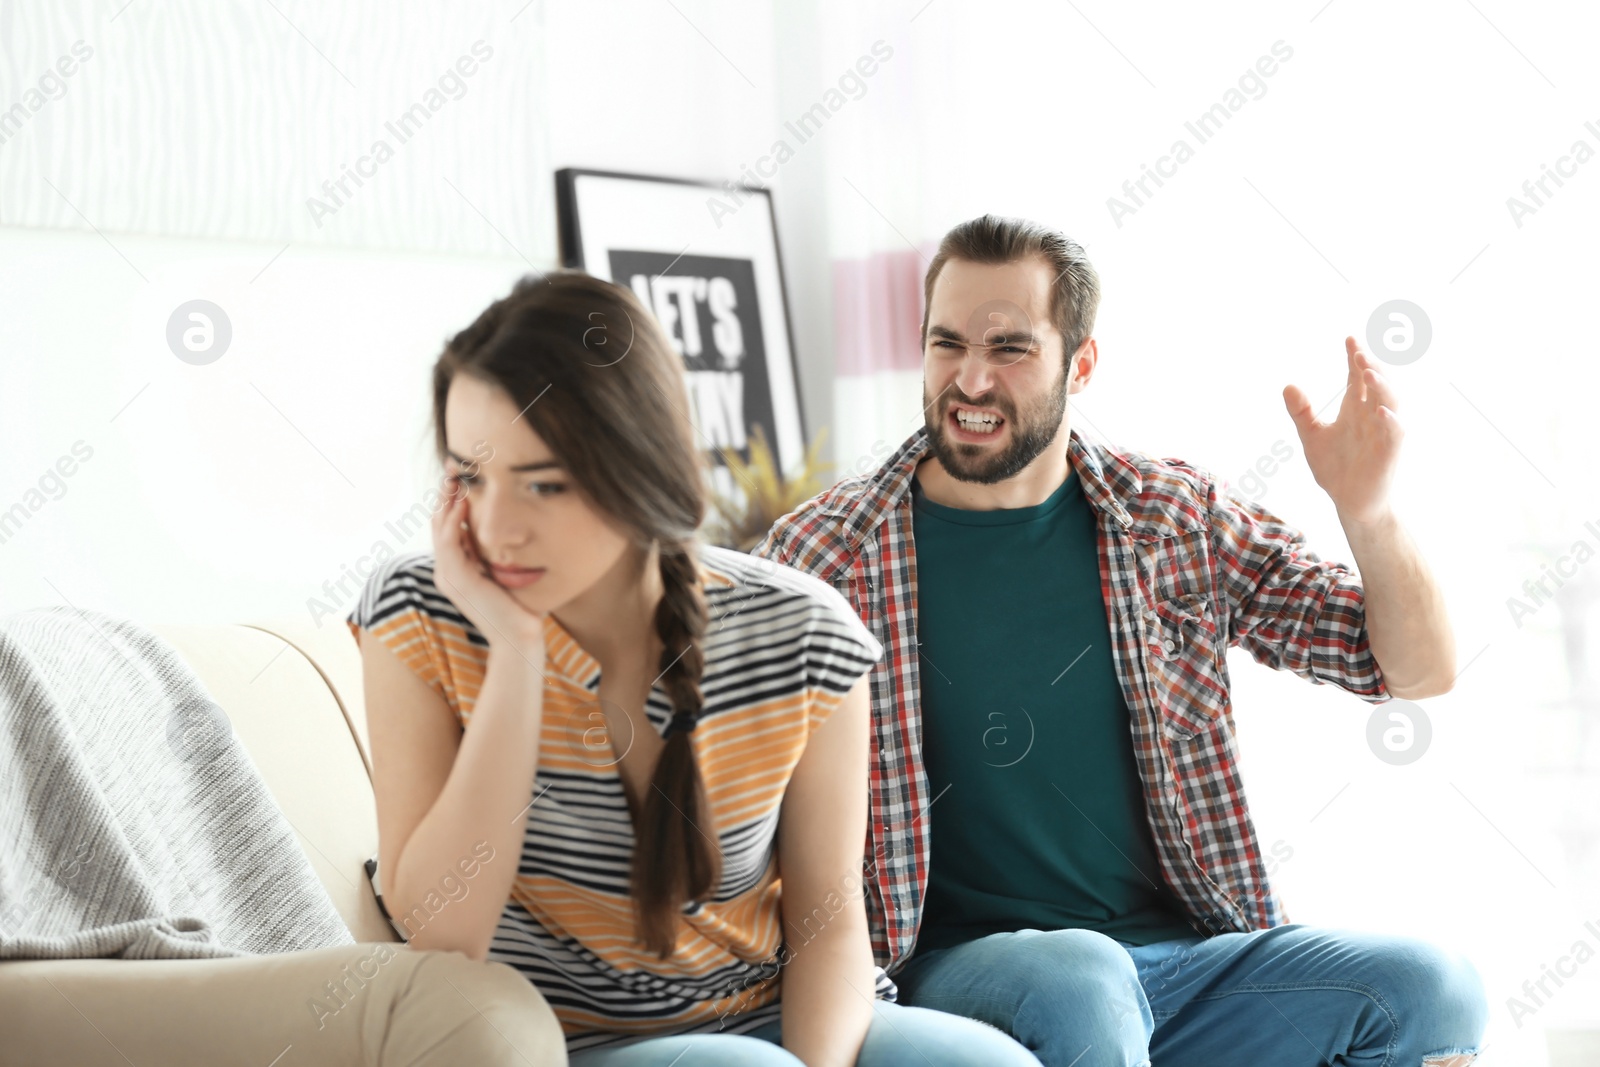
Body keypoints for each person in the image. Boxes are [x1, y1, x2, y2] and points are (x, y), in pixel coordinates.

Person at [753, 215, 1488, 1067]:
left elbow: (1415, 669)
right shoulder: (825, 554)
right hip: (964, 977)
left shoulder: (1172, 518)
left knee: (1432, 985)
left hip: (1185, 966)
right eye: (946, 343)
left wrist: (1371, 511)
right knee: (1080, 976)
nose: (971, 377)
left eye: (1011, 348)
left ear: (1082, 363)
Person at [346, 270, 1041, 1067]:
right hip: (570, 1045)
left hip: (780, 1020)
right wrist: (515, 653)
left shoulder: (806, 634)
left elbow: (829, 919)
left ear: (639, 467)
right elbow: (443, 929)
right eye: (471, 475)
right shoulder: (421, 610)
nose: (498, 526)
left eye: (543, 483)